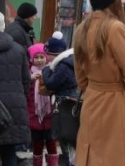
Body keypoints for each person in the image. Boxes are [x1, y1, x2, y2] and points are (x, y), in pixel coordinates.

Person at [73, 0, 125, 166]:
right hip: (117, 100)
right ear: (110, 1)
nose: (123, 1)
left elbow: (80, 75)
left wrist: (93, 88)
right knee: (119, 157)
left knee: (93, 155)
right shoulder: (116, 28)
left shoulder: (81, 29)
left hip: (92, 99)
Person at [0, 9, 31, 166]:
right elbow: (26, 80)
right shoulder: (18, 49)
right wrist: (20, 97)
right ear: (3, 25)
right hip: (14, 106)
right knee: (9, 151)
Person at [42, 31, 78, 166]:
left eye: (48, 55)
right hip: (69, 102)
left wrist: (45, 70)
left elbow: (51, 83)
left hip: (64, 104)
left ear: (55, 53)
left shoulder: (63, 65)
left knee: (65, 137)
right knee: (69, 138)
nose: (47, 58)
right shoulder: (69, 62)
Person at [28, 43, 58, 166]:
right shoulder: (29, 74)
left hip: (49, 114)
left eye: (42, 57)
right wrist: (30, 79)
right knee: (37, 143)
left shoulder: (52, 71)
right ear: (31, 59)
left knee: (51, 142)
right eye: (36, 57)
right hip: (34, 115)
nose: (39, 60)